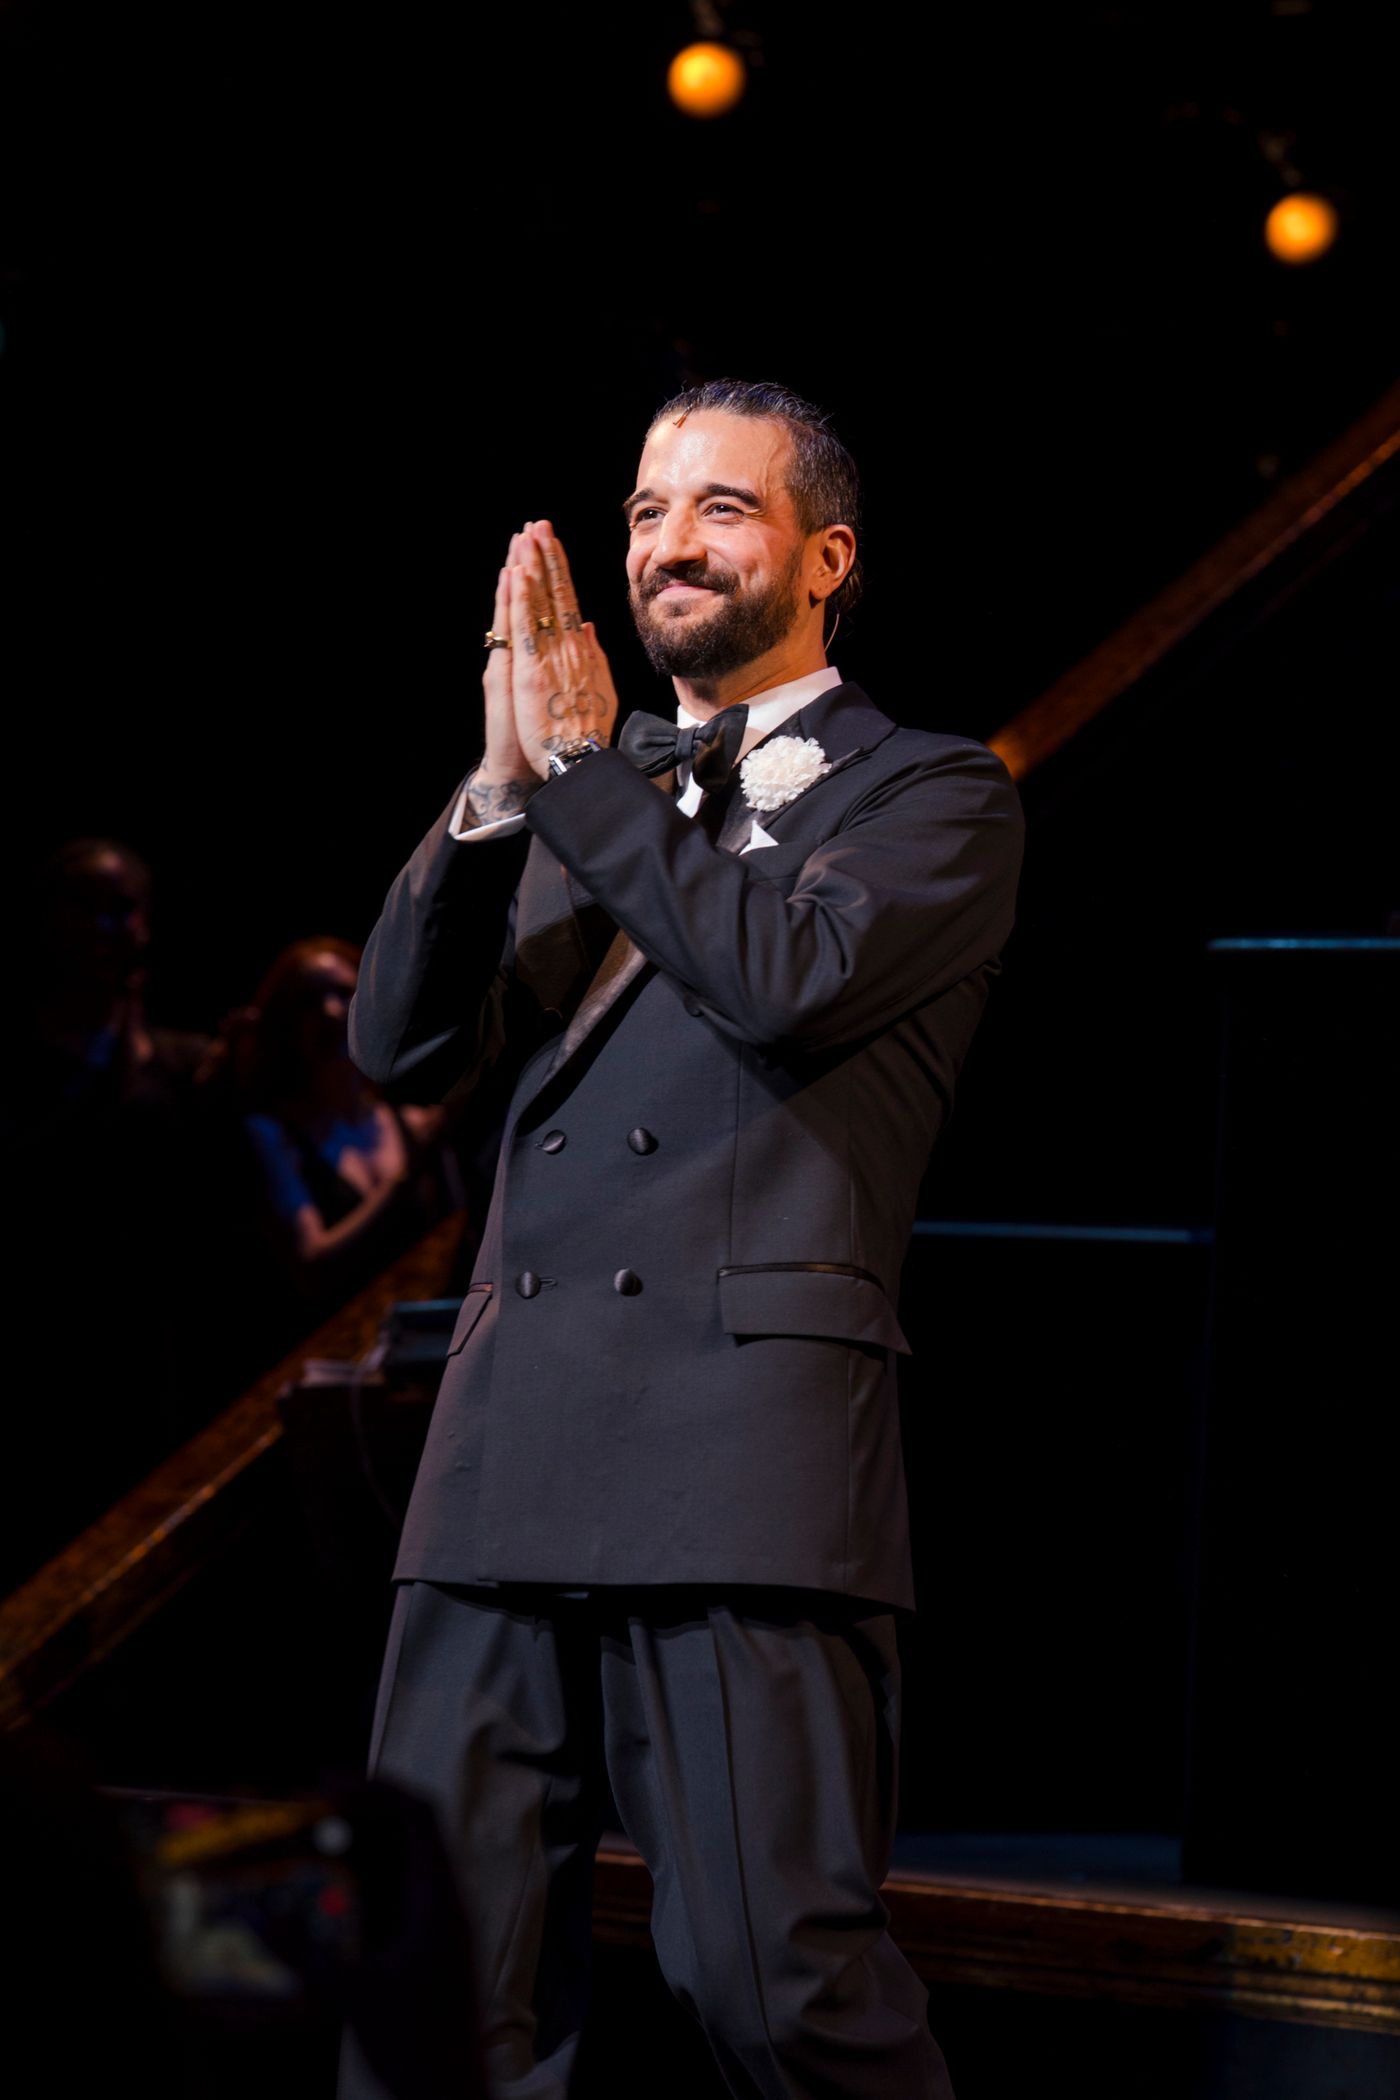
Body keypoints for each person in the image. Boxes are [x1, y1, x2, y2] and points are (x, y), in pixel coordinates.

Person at [339, 380, 1024, 2099]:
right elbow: (398, 1048)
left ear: (826, 557)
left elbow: (788, 981)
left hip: (738, 1459)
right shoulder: (589, 791)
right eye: (645, 511)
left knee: (775, 1988)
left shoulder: (931, 796)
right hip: (506, 1454)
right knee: (437, 2000)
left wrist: (581, 779)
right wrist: (504, 793)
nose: (667, 544)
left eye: (721, 508)